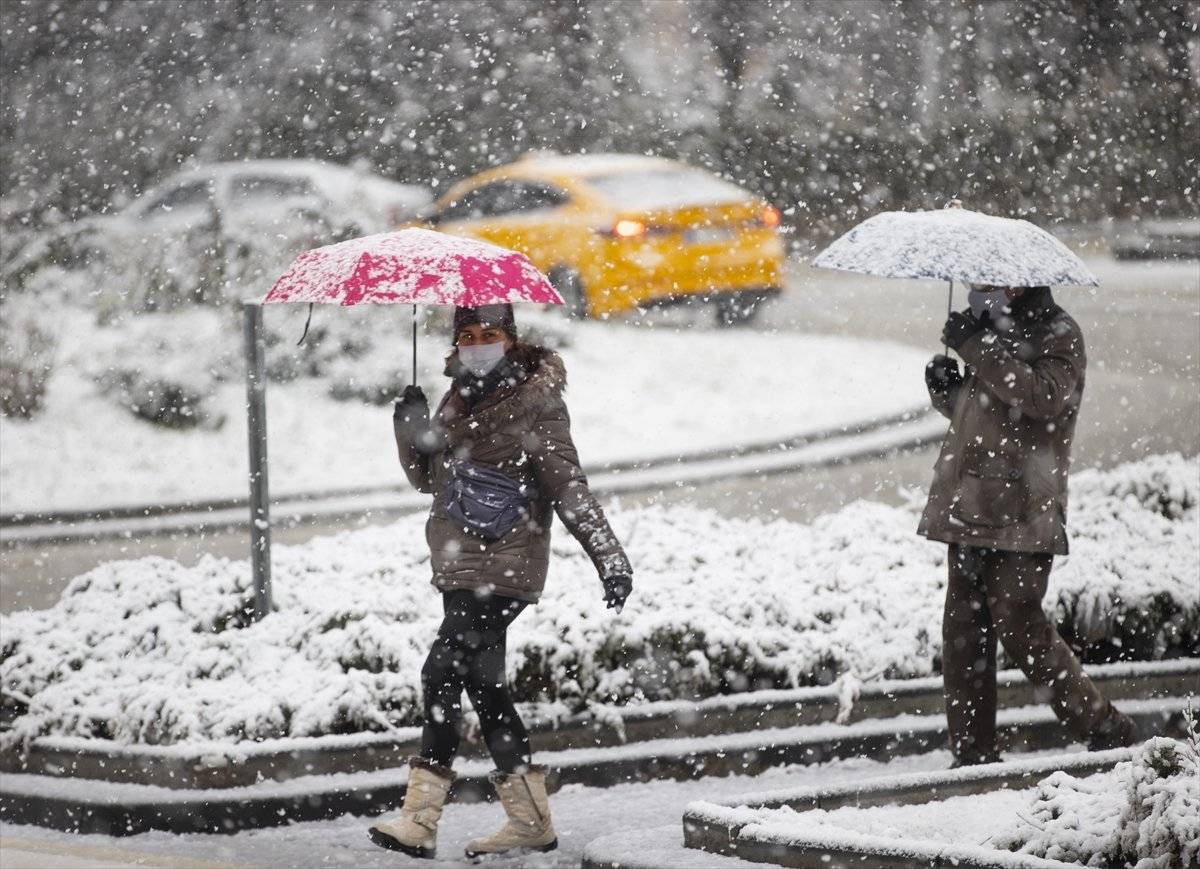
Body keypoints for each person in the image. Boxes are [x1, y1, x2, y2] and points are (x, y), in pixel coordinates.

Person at [368, 303, 633, 860]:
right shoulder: (455, 397)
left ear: (511, 341)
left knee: (441, 670)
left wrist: (607, 554)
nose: (479, 343)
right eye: (468, 335)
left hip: (508, 560)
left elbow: (566, 484)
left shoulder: (537, 403)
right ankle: (530, 822)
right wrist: (409, 428)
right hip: (459, 560)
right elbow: (428, 478)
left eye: (490, 334)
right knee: (486, 687)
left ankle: (419, 820)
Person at [920, 284, 1139, 767]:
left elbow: (1042, 401)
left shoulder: (1058, 333)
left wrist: (976, 345)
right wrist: (948, 391)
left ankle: (1107, 729)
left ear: (1015, 283)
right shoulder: (991, 332)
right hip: (972, 503)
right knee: (963, 633)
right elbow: (988, 414)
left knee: (1021, 627)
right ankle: (973, 754)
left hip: (1023, 509)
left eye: (987, 283)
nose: (978, 290)